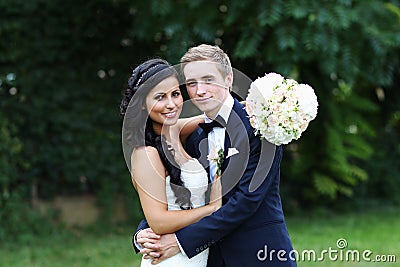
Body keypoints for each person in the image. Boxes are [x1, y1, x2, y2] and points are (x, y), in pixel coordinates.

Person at [134, 44, 297, 267]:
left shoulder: (260, 128)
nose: (200, 90)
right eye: (192, 83)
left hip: (259, 254)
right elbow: (181, 195)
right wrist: (144, 232)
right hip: (211, 259)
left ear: (229, 79)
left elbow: (245, 202)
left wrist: (180, 241)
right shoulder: (194, 137)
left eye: (208, 79)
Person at [121, 58, 222, 267]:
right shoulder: (146, 154)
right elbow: (158, 222)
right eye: (160, 97)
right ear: (141, 105)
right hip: (171, 259)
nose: (171, 104)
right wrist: (212, 209)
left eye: (175, 94)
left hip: (195, 256)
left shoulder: (173, 130)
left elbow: (212, 117)